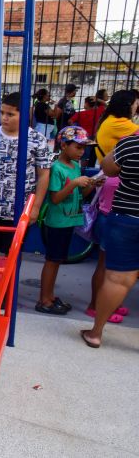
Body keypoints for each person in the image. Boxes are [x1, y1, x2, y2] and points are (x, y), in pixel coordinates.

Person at [0, 92, 50, 249]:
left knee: (12, 255)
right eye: (2, 113)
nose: (4, 117)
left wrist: (36, 207)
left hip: (18, 209)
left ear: (24, 113)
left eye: (10, 114)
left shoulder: (37, 140)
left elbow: (44, 175)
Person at [81, 132, 139, 348]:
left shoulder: (131, 143)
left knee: (117, 279)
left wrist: (119, 146)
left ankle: (95, 333)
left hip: (127, 218)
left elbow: (108, 168)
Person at [36, 126, 98, 315]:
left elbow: (81, 194)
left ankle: (50, 295)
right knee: (52, 260)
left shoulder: (76, 166)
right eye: (78, 147)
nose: (81, 152)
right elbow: (55, 198)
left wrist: (91, 184)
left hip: (69, 221)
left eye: (83, 148)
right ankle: (44, 300)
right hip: (57, 222)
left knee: (58, 260)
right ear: (64, 145)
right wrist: (75, 183)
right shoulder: (56, 168)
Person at [95, 89, 138, 163]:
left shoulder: (112, 118)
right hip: (112, 171)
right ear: (129, 106)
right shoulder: (117, 123)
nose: (137, 107)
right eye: (136, 104)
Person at [70, 96, 106, 167]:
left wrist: (76, 128)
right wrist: (98, 99)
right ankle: (86, 170)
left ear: (86, 103)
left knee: (80, 153)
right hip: (95, 136)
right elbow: (105, 105)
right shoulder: (98, 112)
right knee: (89, 157)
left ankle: (76, 168)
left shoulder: (80, 114)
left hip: (82, 136)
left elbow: (70, 121)